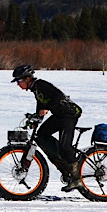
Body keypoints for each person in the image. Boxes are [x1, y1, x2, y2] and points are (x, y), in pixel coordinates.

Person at [11, 63, 84, 191]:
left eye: (19, 81)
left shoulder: (41, 84)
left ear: (27, 78)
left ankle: (76, 178)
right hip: (59, 116)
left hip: (69, 114)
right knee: (41, 135)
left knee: (65, 147)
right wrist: (36, 119)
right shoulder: (36, 89)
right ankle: (62, 161)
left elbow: (58, 96)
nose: (18, 85)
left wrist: (47, 108)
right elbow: (41, 104)